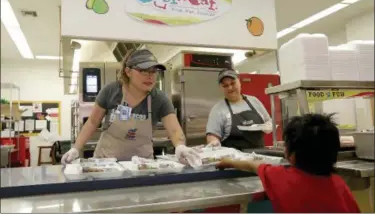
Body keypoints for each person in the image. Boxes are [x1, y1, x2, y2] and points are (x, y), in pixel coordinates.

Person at [62, 49, 199, 164]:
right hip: (107, 163)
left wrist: (180, 146)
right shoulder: (111, 91)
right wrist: (76, 148)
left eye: (153, 71)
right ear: (128, 72)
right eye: (144, 71)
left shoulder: (159, 98)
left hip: (142, 166)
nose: (150, 76)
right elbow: (92, 122)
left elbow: (174, 130)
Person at [216, 113, 360, 213]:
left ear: (292, 155)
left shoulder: (281, 177)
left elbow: (253, 165)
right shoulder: (340, 185)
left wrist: (228, 162)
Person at [206, 69, 273, 150]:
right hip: (234, 160)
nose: (230, 88)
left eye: (233, 83)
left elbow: (268, 121)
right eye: (225, 86)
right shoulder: (217, 109)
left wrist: (269, 126)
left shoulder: (254, 101)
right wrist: (214, 142)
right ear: (221, 88)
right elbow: (212, 135)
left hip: (259, 155)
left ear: (239, 82)